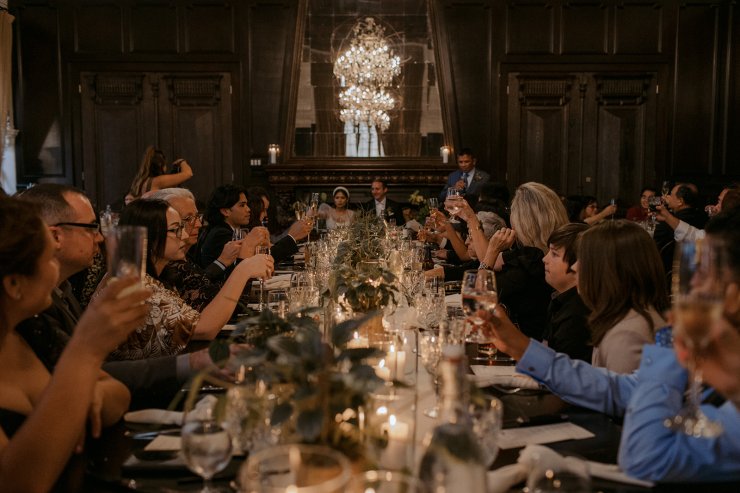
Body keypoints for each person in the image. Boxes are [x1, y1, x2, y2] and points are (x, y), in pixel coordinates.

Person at [477, 208, 740, 482]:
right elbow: (619, 389)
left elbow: (644, 457)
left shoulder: (634, 328)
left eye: (705, 271)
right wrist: (521, 348)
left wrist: (669, 347)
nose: (693, 282)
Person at [17, 185, 242, 409]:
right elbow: (71, 383)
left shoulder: (62, 291)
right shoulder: (34, 307)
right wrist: (243, 270)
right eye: (91, 227)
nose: (100, 238)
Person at [0, 195, 150, 492]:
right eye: (48, 259)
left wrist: (87, 394)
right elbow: (18, 483)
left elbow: (118, 396)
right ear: (14, 284)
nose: (55, 269)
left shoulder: (33, 330)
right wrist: (85, 351)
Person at [109, 199, 273, 360]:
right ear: (149, 237)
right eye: (175, 230)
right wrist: (243, 270)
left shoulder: (156, 277)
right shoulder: (136, 285)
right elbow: (204, 328)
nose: (185, 235)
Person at [470, 182, 569, 340]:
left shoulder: (532, 261)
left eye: (512, 211)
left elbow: (475, 301)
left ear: (523, 221)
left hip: (525, 344)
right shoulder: (544, 252)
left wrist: (491, 252)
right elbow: (498, 263)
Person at [151, 187, 268, 310]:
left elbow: (210, 287)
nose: (198, 224)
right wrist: (244, 257)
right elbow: (225, 306)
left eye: (197, 216)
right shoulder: (170, 266)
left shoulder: (185, 256)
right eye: (188, 219)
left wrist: (224, 262)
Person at [541, 223, 592, 362]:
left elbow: (558, 368)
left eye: (554, 254)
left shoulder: (577, 314)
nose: (544, 259)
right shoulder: (559, 299)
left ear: (578, 264)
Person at [246, 186, 312, 263]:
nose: (266, 214)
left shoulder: (258, 225)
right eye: (263, 209)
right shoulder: (247, 230)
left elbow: (272, 245)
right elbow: (269, 255)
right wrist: (293, 236)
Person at [126, 145, 193, 203]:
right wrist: (182, 162)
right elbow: (188, 173)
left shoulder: (141, 180)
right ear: (160, 165)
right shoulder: (157, 181)